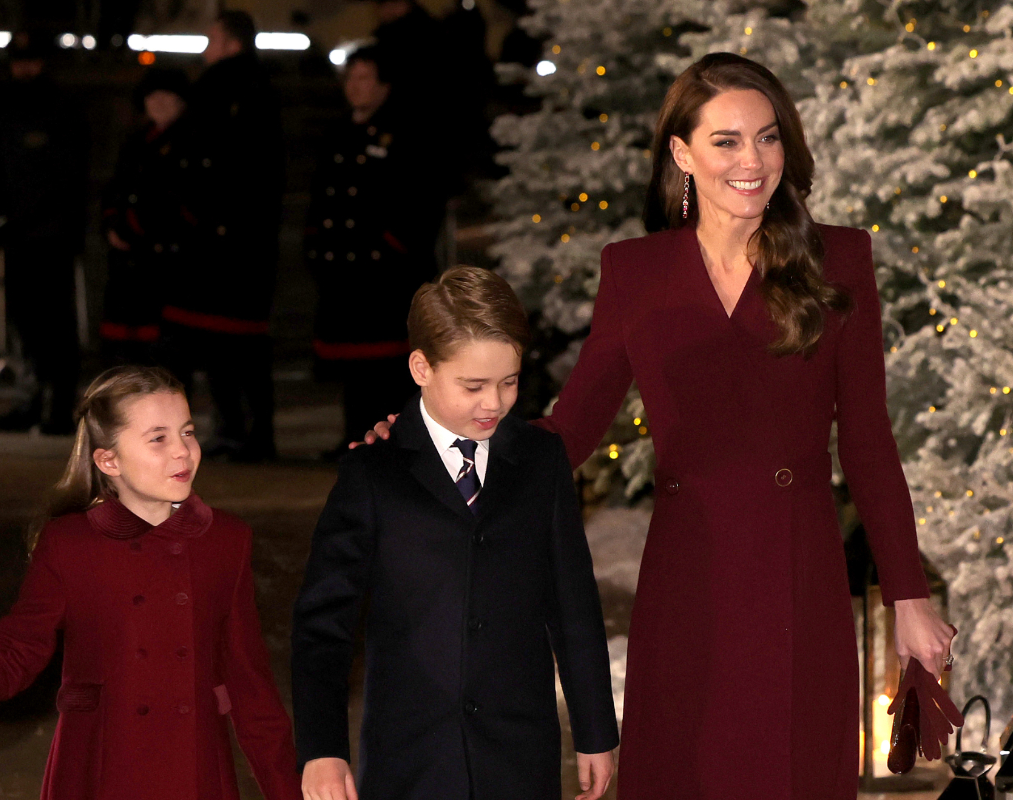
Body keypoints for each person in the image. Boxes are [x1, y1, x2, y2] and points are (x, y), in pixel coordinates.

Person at [358, 53, 957, 798]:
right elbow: (569, 431)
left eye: (768, 138)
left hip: (796, 578)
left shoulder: (840, 259)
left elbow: (868, 439)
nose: (753, 161)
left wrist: (910, 595)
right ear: (682, 153)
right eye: (727, 141)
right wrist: (434, 439)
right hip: (687, 579)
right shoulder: (635, 271)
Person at [292, 266, 618, 800]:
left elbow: (572, 603)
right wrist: (322, 749)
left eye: (509, 381)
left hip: (519, 752)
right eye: (473, 385)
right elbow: (322, 626)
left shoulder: (541, 462)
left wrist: (595, 730)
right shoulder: (372, 474)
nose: (493, 402)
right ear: (422, 367)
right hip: (411, 757)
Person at [0, 366, 305, 800]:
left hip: (196, 770)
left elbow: (252, 689)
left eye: (188, 432)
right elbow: (19, 654)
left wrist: (287, 791)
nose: (182, 452)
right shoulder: (69, 545)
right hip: (100, 767)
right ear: (109, 460)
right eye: (158, 438)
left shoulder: (225, 541)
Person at [158, 10, 285, 462]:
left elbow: (222, 166)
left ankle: (246, 430)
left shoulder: (230, 91)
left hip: (223, 241)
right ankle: (241, 429)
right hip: (230, 240)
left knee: (234, 344)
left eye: (212, 39)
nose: (205, 48)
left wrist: (194, 214)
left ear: (232, 43)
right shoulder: (247, 89)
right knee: (226, 345)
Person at [306, 46, 444, 458]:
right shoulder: (338, 132)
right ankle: (354, 437)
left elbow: (420, 201)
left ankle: (391, 442)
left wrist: (392, 245)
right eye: (351, 78)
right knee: (353, 366)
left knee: (387, 368)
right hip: (343, 269)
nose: (356, 86)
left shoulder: (407, 131)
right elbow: (322, 198)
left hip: (386, 271)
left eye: (365, 78)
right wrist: (316, 246)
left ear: (384, 85)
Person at [0, 33, 90, 436]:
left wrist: (23, 217)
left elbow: (65, 176)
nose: (23, 68)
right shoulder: (7, 108)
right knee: (25, 320)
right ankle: (31, 400)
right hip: (22, 234)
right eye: (18, 61)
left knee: (54, 323)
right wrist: (1, 218)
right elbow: (0, 169)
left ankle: (57, 405)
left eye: (29, 61)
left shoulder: (60, 108)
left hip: (50, 234)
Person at [98, 67, 192, 365]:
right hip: (128, 266)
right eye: (152, 96)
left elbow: (176, 200)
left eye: (167, 95)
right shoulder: (136, 142)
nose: (159, 102)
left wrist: (133, 227)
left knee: (163, 359)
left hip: (164, 265)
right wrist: (113, 225)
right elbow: (115, 191)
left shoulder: (188, 143)